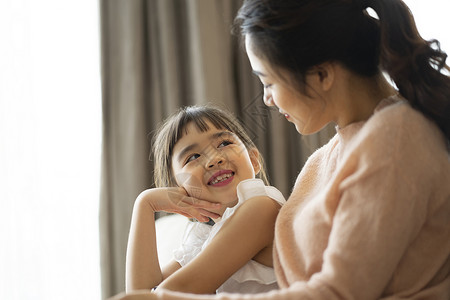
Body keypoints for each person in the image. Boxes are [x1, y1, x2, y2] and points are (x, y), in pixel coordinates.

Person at [112, 0, 450, 299]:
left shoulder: (394, 141)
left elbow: (338, 293)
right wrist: (146, 204)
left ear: (320, 74)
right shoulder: (331, 155)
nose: (266, 100)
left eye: (269, 82)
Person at [125, 105, 286, 295]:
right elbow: (140, 295)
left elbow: (159, 297)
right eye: (193, 157)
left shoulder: (262, 207)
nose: (213, 159)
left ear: (253, 160)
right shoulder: (202, 237)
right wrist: (145, 204)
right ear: (178, 186)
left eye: (224, 144)